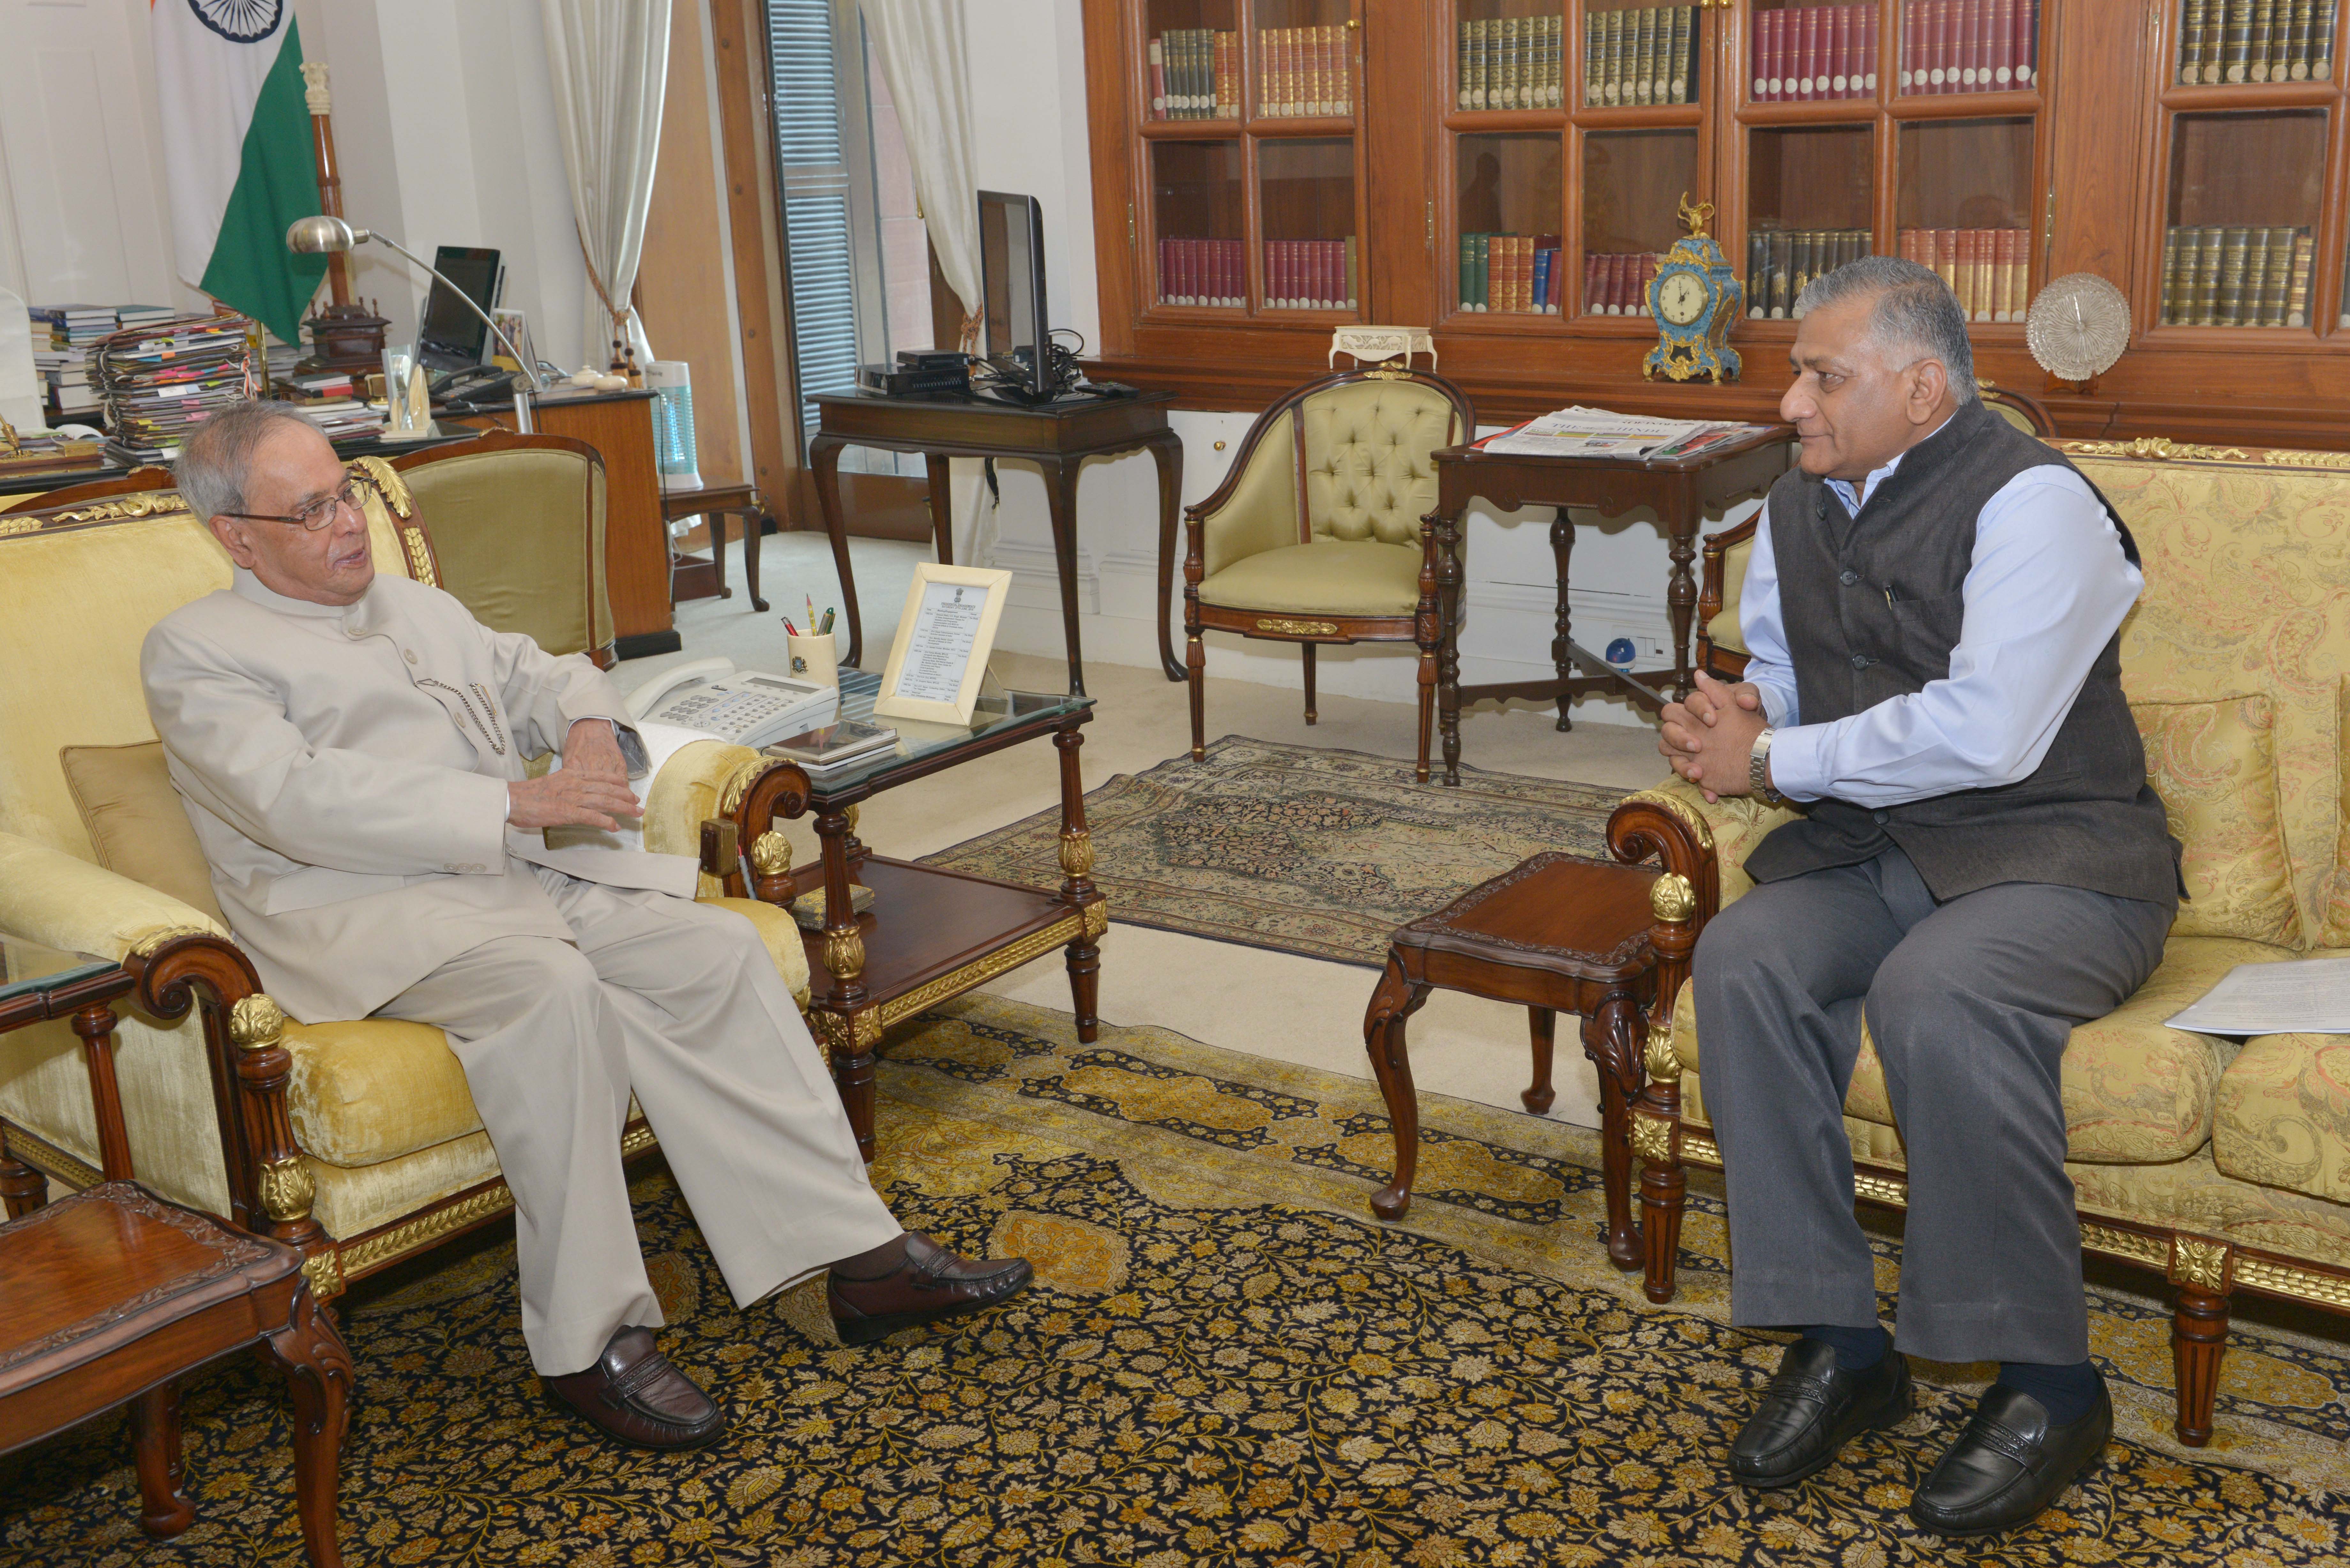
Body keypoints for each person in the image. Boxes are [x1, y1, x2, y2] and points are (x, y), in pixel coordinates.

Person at [143, 401, 1033, 1451]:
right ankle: (588, 1340)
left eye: (347, 494)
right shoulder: (196, 651)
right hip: (366, 914)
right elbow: (295, 800)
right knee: (552, 997)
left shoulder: (410, 604)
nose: (350, 525)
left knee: (713, 951)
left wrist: (588, 730)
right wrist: (517, 805)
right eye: (313, 511)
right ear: (236, 536)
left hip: (515, 876)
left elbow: (542, 668)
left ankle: (858, 1259)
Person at [1657, 257, 2178, 1537]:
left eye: (1822, 376)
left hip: (2064, 857)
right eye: (1796, 373)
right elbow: (1793, 667)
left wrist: (1773, 760)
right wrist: (1750, 708)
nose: (1791, 403)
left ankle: (2052, 1385)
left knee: (1936, 989)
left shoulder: (2034, 503)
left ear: (1923, 386)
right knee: (1742, 957)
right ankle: (1843, 1343)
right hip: (1885, 854)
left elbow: (1991, 731)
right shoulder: (1796, 502)